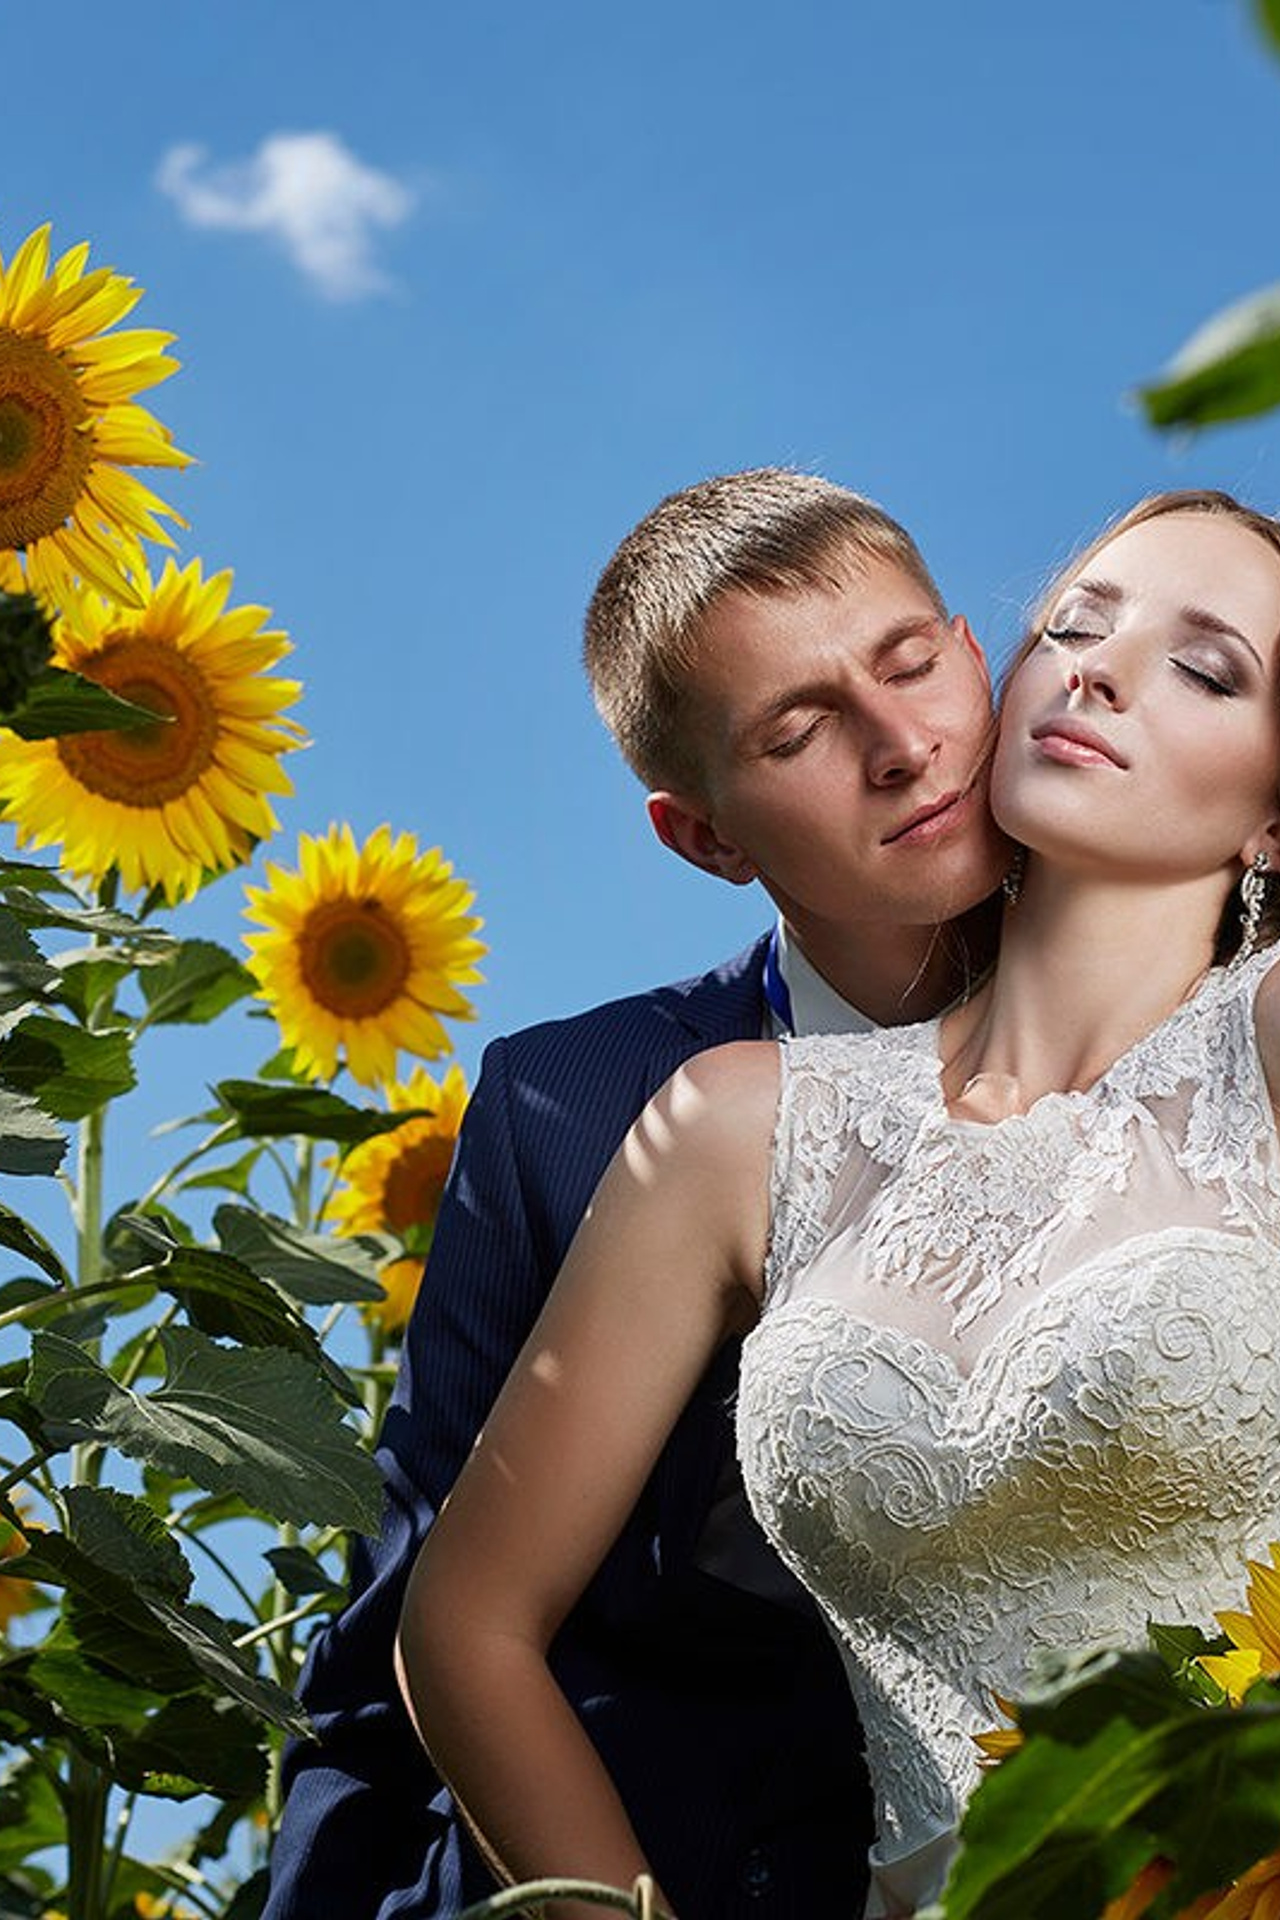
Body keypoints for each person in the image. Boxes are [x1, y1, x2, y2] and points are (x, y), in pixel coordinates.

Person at [395, 489, 1280, 1920]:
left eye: (1210, 666)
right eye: (1079, 624)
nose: (1103, 670)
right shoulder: (729, 1121)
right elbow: (458, 1615)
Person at [263, 468, 1008, 1920]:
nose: (902, 745)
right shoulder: (572, 1108)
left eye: (914, 664)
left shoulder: (1200, 993)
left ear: (977, 655)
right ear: (705, 838)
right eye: (798, 729)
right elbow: (406, 1632)